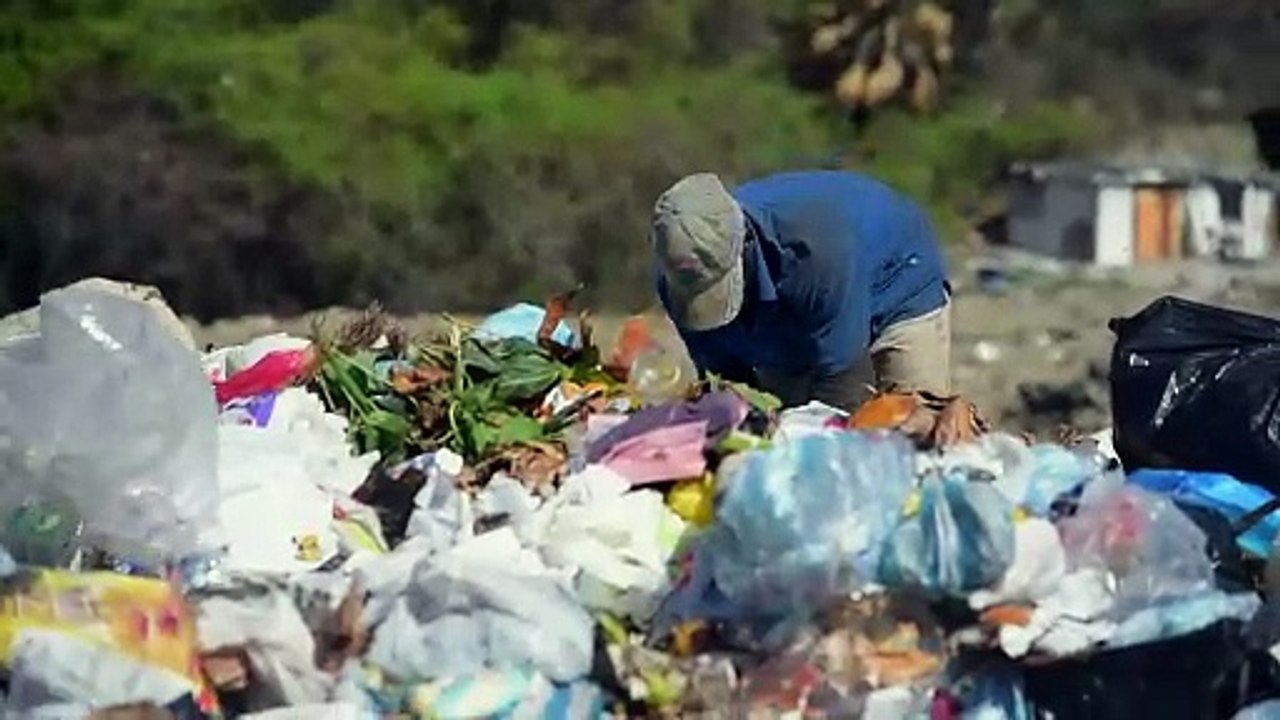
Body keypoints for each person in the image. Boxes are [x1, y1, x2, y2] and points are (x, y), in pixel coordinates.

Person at [651, 170, 951, 409]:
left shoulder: (813, 252)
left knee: (913, 429)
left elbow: (842, 387)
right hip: (801, 309)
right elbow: (725, 387)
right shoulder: (677, 276)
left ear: (745, 245)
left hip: (897, 278)